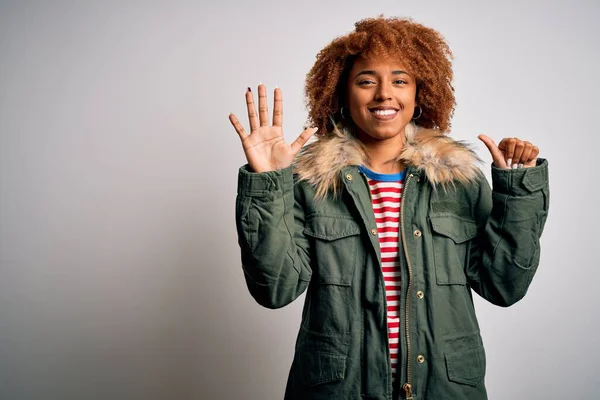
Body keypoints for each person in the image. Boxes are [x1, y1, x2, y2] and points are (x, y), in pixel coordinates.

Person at [229, 16, 549, 400]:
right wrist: (268, 182)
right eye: (366, 81)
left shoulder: (457, 179)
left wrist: (517, 192)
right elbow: (275, 289)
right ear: (342, 95)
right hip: (340, 390)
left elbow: (504, 286)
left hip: (444, 389)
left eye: (400, 80)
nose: (384, 93)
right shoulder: (311, 182)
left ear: (420, 95)